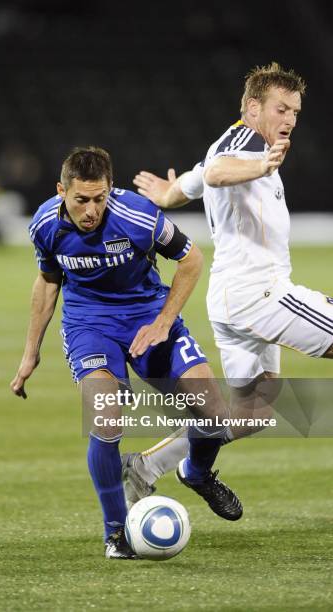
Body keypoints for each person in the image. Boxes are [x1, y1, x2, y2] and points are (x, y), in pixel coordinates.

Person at [10, 146, 243, 560]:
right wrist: (31, 353)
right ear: (61, 190)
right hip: (90, 326)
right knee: (106, 413)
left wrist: (162, 322)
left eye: (100, 198)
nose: (91, 210)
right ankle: (116, 533)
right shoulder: (45, 224)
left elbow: (191, 260)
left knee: (214, 415)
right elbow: (48, 281)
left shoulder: (137, 216)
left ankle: (198, 473)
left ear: (110, 190)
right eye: (82, 199)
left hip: (150, 316)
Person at [124, 62, 333, 503]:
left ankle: (155, 466)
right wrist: (261, 166)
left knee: (253, 412)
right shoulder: (246, 144)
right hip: (259, 294)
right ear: (253, 107)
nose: (290, 119)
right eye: (281, 108)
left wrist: (167, 195)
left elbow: (199, 179)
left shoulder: (242, 145)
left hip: (232, 300)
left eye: (295, 111)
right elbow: (217, 171)